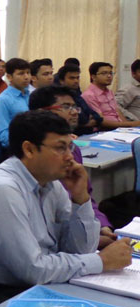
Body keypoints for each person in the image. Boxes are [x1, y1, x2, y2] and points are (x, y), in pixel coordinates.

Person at [0, 110, 133, 307]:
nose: (69, 157)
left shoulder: (50, 182)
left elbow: (81, 250)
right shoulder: (3, 189)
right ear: (29, 149)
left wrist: (80, 199)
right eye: (60, 148)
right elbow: (32, 269)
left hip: (38, 282)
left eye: (70, 147)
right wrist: (101, 261)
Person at [29, 86, 116, 248]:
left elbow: (86, 196)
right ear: (42, 112)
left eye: (75, 107)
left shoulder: (73, 150)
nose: (75, 112)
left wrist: (102, 226)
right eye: (66, 107)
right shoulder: (33, 156)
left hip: (76, 234)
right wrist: (93, 241)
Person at [82, 61, 140, 127]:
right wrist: (131, 124)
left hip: (119, 128)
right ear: (93, 77)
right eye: (104, 73)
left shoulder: (109, 92)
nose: (109, 76)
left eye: (110, 73)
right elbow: (101, 121)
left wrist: (128, 128)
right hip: (105, 130)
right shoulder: (89, 95)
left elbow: (118, 112)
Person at [0, 58, 31, 151]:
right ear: (9, 77)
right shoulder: (2, 101)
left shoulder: (30, 96)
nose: (26, 77)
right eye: (21, 73)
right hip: (16, 150)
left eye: (28, 72)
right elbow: (4, 137)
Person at [57, 65, 103, 135]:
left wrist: (85, 122)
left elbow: (98, 117)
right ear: (61, 81)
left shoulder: (77, 95)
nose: (76, 81)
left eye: (77, 78)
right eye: (72, 78)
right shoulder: (59, 98)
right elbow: (82, 119)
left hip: (89, 134)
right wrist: (85, 122)